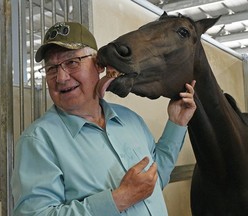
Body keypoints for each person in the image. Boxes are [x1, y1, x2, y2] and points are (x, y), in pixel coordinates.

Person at [11, 21, 196, 216]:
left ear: (98, 65)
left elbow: (155, 180)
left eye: (72, 62)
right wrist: (118, 199)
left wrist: (176, 123)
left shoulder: (130, 120)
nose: (61, 77)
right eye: (51, 69)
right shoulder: (38, 141)